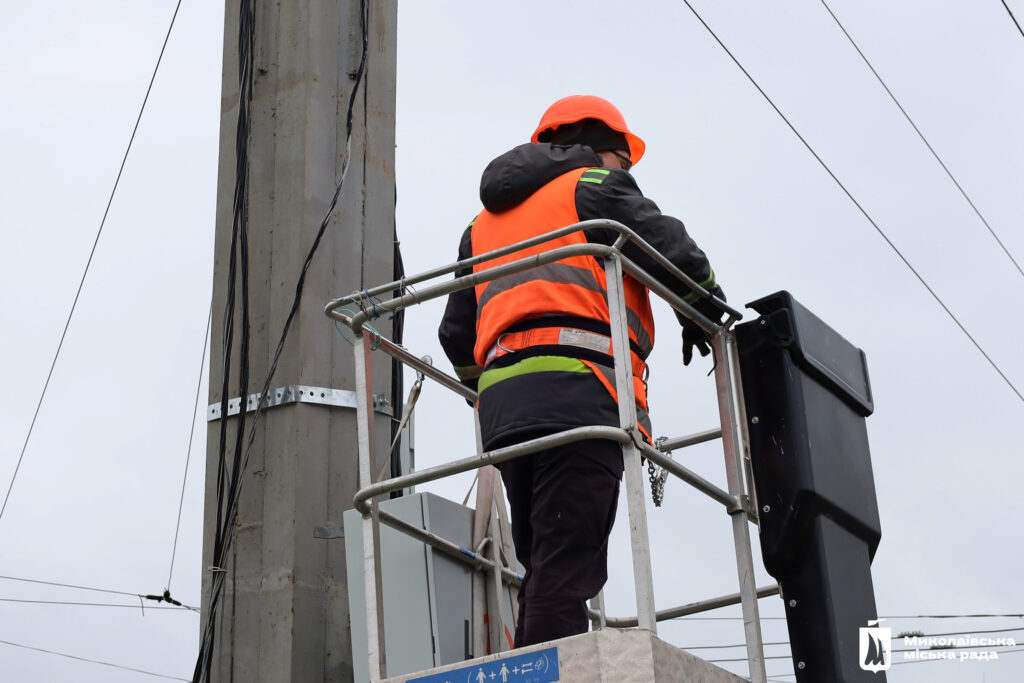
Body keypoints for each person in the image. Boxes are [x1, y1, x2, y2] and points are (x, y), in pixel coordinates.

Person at [438, 95, 725, 647]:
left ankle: (532, 660)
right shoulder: (592, 187)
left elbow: (455, 334)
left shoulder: (482, 225)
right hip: (582, 395)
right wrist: (704, 308)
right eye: (625, 160)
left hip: (505, 413)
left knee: (545, 560)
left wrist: (492, 391)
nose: (628, 173)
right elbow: (675, 252)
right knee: (566, 565)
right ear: (598, 149)